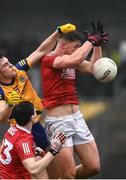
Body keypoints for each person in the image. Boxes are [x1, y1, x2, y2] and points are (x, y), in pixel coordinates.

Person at [0, 24, 75, 151]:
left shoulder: (19, 69)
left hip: (40, 122)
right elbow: (0, 117)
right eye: (6, 65)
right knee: (42, 163)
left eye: (9, 62)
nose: (11, 65)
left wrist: (58, 32)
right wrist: (9, 104)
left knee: (54, 163)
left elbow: (41, 51)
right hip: (25, 130)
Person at [41, 21, 109, 178]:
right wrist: (89, 42)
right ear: (64, 45)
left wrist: (97, 45)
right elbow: (74, 60)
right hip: (58, 123)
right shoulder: (50, 59)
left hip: (77, 119)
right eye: (76, 47)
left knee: (93, 167)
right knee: (69, 174)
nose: (78, 51)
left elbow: (93, 68)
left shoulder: (72, 58)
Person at [0, 101, 66, 179]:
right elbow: (33, 169)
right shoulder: (23, 140)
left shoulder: (13, 128)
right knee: (38, 164)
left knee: (38, 158)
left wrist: (33, 150)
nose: (37, 114)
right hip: (15, 177)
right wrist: (54, 150)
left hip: (6, 174)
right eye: (35, 112)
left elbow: (15, 151)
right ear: (32, 117)